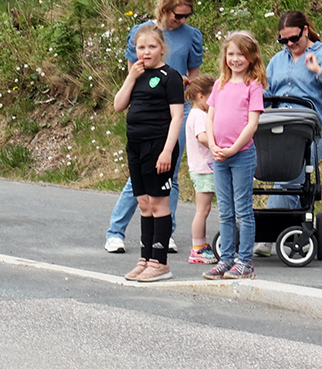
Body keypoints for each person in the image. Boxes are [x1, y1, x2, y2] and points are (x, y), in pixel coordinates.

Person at [104, 0, 203, 255]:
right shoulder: (143, 33)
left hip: (176, 110)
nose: (181, 21)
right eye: (177, 15)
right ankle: (116, 230)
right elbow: (134, 79)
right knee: (140, 178)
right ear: (165, 8)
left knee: (169, 172)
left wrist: (186, 87)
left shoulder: (192, 36)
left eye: (186, 16)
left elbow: (193, 80)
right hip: (146, 113)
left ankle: (165, 232)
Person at [112, 23, 185, 282]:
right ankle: (144, 259)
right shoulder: (137, 74)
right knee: (144, 203)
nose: (146, 51)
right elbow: (118, 105)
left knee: (158, 203)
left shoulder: (170, 76)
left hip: (159, 146)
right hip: (136, 146)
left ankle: (160, 262)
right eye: (141, 47)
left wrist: (167, 151)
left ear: (162, 49)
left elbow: (177, 117)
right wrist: (131, 77)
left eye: (152, 47)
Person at [262, 10, 322, 215]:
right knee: (282, 173)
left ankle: (271, 231)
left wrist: (319, 71)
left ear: (305, 31)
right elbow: (266, 91)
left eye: (294, 38)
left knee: (289, 174)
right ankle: (289, 229)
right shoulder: (277, 60)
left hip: (311, 130)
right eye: (283, 40)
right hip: (279, 127)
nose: (290, 44)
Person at [203, 32, 266, 281]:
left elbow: (252, 125)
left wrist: (232, 148)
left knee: (243, 210)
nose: (235, 59)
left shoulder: (254, 86)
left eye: (241, 54)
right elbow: (210, 116)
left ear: (251, 57)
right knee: (225, 210)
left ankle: (245, 261)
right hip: (219, 155)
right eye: (231, 54)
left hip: (241, 155)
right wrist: (214, 145)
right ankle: (226, 258)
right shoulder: (220, 84)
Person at [182, 74, 216, 264]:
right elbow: (202, 137)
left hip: (202, 167)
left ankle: (200, 245)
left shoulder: (196, 114)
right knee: (202, 209)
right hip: (204, 169)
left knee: (204, 208)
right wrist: (216, 144)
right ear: (201, 97)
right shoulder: (200, 115)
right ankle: (198, 248)